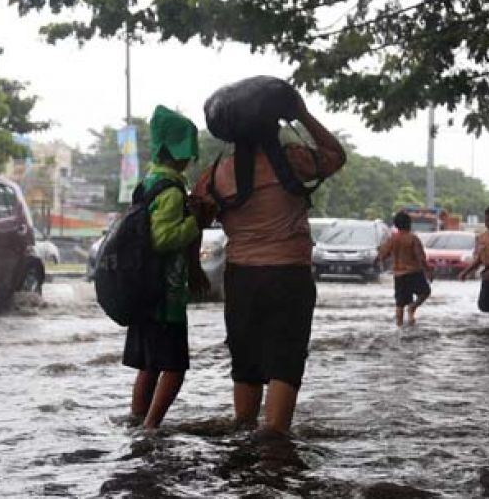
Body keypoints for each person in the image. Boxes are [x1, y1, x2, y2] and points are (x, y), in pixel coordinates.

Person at [193, 92, 346, 439]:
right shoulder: (293, 160)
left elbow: (196, 220)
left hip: (241, 278)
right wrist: (303, 115)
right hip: (289, 276)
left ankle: (244, 436)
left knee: (245, 362)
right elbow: (336, 155)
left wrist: (192, 267)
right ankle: (274, 445)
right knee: (285, 361)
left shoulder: (216, 173)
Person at [123, 105, 205, 430]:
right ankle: (151, 427)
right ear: (181, 152)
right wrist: (197, 222)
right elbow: (163, 238)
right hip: (165, 298)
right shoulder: (171, 190)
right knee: (174, 366)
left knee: (150, 364)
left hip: (144, 291)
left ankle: (137, 420)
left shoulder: (148, 182)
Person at [377, 211, 433, 327]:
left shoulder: (392, 239)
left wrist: (380, 259)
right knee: (425, 292)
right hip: (414, 272)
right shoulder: (413, 238)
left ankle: (399, 326)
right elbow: (421, 257)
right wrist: (428, 271)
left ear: (396, 225)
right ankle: (412, 308)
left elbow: (383, 255)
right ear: (409, 224)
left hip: (399, 275)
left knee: (400, 303)